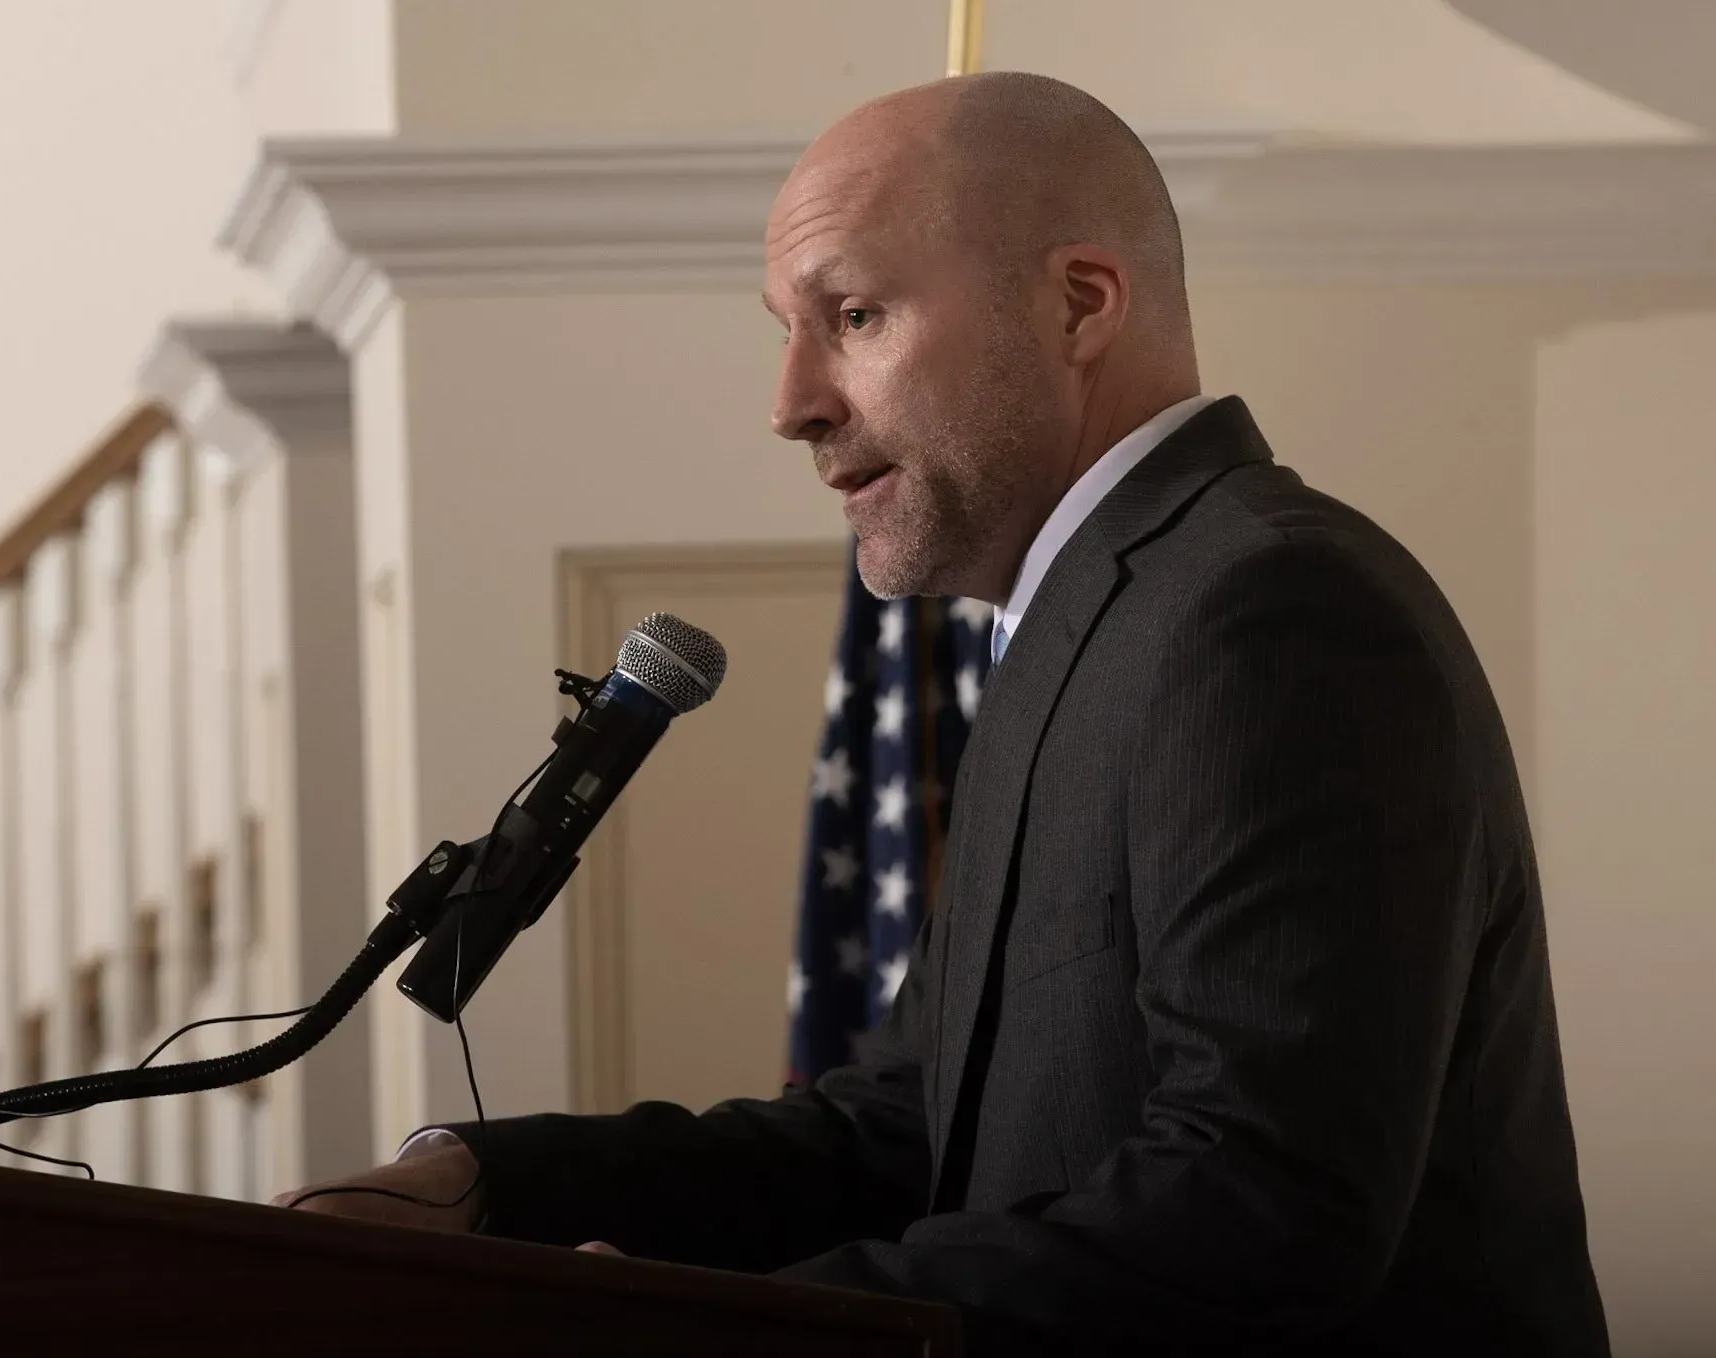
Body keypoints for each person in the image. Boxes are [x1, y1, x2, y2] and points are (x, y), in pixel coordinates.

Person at [275, 72, 1607, 1355]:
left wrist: (711, 1328)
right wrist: (487, 1185)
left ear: (1080, 302)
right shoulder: (1087, 627)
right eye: (786, 331)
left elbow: (1262, 1204)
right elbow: (917, 1122)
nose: (792, 402)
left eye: (850, 314)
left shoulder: (1268, 611)